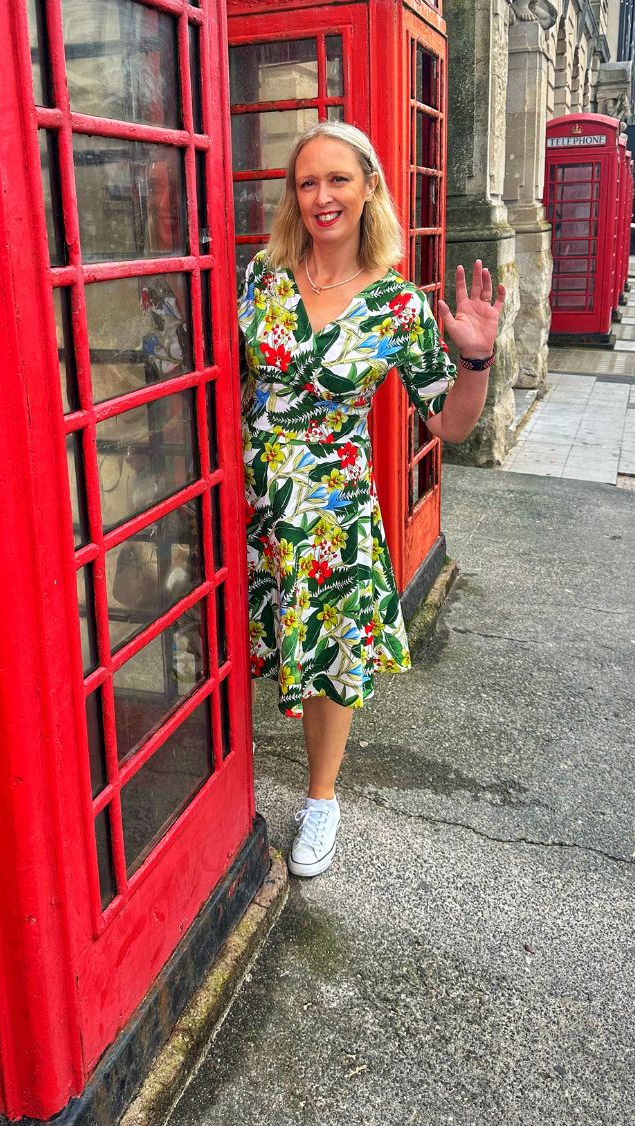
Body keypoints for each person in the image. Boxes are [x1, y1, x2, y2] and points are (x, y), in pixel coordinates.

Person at [238, 121, 504, 878]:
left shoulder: (396, 307)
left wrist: (476, 356)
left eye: (338, 180)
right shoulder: (265, 275)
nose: (322, 197)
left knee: (330, 659)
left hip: (331, 514)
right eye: (308, 181)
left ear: (369, 190)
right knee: (245, 645)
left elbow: (447, 423)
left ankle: (322, 799)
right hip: (252, 502)